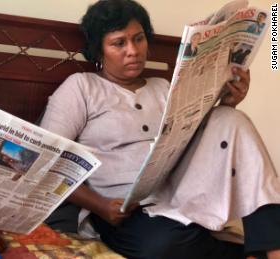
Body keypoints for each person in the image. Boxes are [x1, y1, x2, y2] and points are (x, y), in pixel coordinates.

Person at [40, 0, 280, 258]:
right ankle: (242, 251)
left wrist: (229, 103)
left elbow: (207, 146)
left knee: (230, 119)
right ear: (99, 50)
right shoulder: (81, 87)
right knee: (162, 246)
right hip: (123, 210)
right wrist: (98, 205)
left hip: (182, 194)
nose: (132, 50)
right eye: (119, 43)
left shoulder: (164, 87)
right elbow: (46, 159)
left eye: (139, 39)